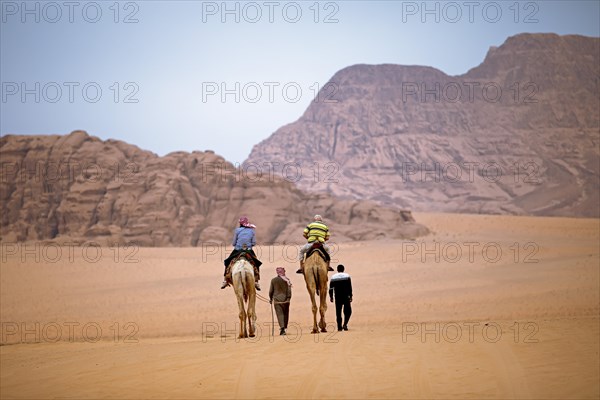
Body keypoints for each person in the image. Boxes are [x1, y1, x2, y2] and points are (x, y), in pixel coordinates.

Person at [221, 216, 262, 290]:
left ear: (240, 223)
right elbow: (254, 242)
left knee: (227, 262)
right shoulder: (252, 231)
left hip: (238, 250)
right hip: (248, 250)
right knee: (256, 263)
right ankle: (256, 281)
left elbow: (234, 243)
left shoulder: (237, 230)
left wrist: (237, 244)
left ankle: (225, 280)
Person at [269, 267, 292, 335]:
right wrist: (288, 298)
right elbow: (289, 290)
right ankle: (284, 327)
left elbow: (271, 291)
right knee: (285, 314)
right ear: (283, 272)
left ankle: (282, 329)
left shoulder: (273, 280)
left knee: (280, 314)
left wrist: (271, 299)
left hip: (277, 300)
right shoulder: (287, 280)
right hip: (286, 300)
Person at [329, 264, 353, 331]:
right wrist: (350, 296)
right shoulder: (347, 276)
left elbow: (331, 288)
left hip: (337, 297)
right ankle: (345, 324)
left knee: (338, 312)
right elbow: (349, 287)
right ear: (343, 269)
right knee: (348, 311)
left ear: (337, 270)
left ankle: (339, 327)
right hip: (345, 296)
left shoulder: (333, 277)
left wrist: (331, 297)